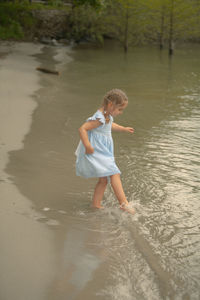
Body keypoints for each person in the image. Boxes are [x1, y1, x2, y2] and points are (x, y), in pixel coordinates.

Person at [75, 89, 135, 214]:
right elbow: (82, 129)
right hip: (97, 151)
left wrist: (123, 129)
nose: (120, 112)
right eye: (119, 109)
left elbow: (110, 125)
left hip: (104, 152)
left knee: (104, 180)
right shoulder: (99, 118)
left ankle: (95, 205)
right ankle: (124, 203)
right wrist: (87, 145)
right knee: (114, 173)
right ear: (110, 105)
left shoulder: (107, 116)